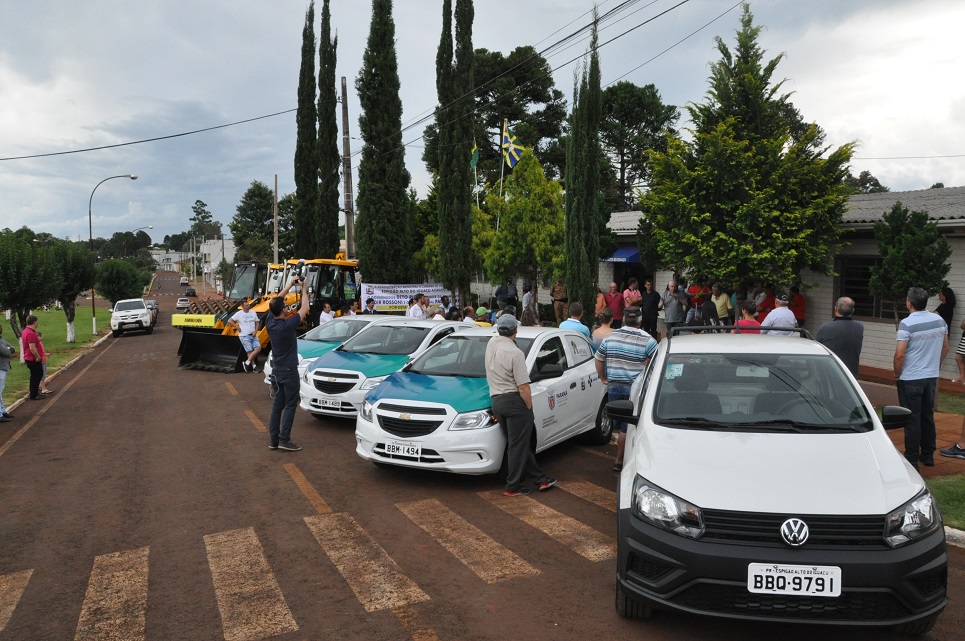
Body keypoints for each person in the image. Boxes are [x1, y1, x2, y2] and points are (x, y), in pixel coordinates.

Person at [485, 314, 557, 496]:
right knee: (517, 445)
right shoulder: (516, 353)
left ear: (498, 329)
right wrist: (529, 407)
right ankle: (512, 486)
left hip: (497, 401)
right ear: (516, 330)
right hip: (514, 402)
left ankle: (540, 479)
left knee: (518, 443)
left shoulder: (491, 344)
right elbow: (523, 386)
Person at [594, 306, 657, 471]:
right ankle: (621, 461)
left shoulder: (611, 337)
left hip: (614, 386)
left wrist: (603, 378)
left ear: (623, 320)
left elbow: (599, 358)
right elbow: (656, 363)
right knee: (628, 427)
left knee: (620, 425)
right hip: (634, 389)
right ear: (640, 321)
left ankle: (620, 458)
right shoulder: (648, 340)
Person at [894, 287, 949, 469]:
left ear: (909, 303)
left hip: (911, 378)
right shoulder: (939, 321)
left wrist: (897, 373)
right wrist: (934, 365)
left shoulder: (907, 324)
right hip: (931, 376)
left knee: (911, 418)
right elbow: (946, 348)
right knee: (927, 416)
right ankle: (927, 455)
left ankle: (911, 458)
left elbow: (900, 354)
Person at [266, 275, 312, 451]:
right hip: (289, 370)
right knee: (291, 405)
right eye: (285, 306)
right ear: (283, 311)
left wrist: (288, 285)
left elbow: (275, 303)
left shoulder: (270, 322)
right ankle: (285, 439)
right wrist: (303, 288)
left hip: (276, 370)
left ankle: (274, 440)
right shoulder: (287, 325)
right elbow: (305, 307)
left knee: (278, 404)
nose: (287, 306)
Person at [816, 297, 864, 377]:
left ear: (836, 309)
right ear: (852, 310)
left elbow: (817, 349)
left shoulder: (825, 328)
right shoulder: (859, 327)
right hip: (850, 374)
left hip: (828, 373)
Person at [229, 300, 262, 373]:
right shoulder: (239, 314)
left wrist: (255, 331)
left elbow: (257, 323)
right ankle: (254, 367)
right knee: (249, 351)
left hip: (253, 335)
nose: (248, 306)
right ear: (242, 306)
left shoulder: (253, 313)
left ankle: (247, 363)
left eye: (248, 305)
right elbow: (230, 320)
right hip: (244, 335)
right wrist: (237, 327)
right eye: (246, 305)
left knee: (258, 349)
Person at [21, 315, 44, 401]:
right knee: (37, 375)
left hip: (29, 358)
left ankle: (34, 393)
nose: (37, 323)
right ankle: (34, 394)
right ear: (34, 322)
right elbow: (32, 347)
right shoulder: (30, 333)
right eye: (37, 321)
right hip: (32, 358)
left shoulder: (26, 331)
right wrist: (38, 356)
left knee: (35, 375)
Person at [0, 324, 16, 420]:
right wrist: (8, 349)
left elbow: (11, 347)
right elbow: (7, 352)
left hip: (3, 368)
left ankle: (3, 411)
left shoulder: (1, 339)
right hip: (0, 368)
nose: (1, 329)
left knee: (0, 391)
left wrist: (9, 348)